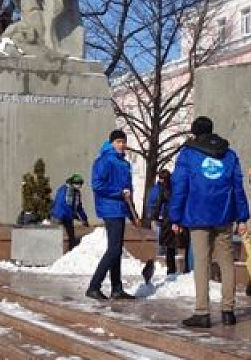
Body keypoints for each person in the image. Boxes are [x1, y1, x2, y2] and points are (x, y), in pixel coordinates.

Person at [168, 116, 249, 328]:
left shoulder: (188, 154)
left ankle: (202, 312)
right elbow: (238, 188)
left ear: (194, 132)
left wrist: (174, 217)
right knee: (227, 262)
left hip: (197, 215)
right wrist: (242, 216)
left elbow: (180, 187)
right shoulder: (229, 155)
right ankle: (228, 310)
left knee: (202, 262)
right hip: (224, 215)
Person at [86, 129, 134, 300]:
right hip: (110, 208)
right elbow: (97, 185)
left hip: (119, 209)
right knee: (113, 250)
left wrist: (132, 212)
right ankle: (94, 286)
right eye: (118, 142)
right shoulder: (105, 160)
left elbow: (128, 191)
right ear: (112, 143)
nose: (122, 145)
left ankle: (116, 288)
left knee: (117, 250)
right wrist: (119, 192)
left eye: (123, 142)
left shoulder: (124, 163)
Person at [145, 168, 181, 276]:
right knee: (164, 244)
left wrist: (152, 215)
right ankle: (166, 267)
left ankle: (167, 267)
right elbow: (153, 203)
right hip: (164, 218)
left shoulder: (162, 189)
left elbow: (153, 203)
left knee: (166, 244)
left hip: (165, 218)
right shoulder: (160, 189)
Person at [52, 174, 89, 251]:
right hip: (59, 215)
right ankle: (55, 252)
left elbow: (78, 207)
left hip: (68, 216)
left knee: (71, 235)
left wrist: (84, 218)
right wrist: (74, 215)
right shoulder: (65, 190)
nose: (79, 185)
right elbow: (63, 204)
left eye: (80, 184)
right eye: (77, 183)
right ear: (72, 183)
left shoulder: (77, 193)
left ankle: (71, 251)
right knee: (55, 235)